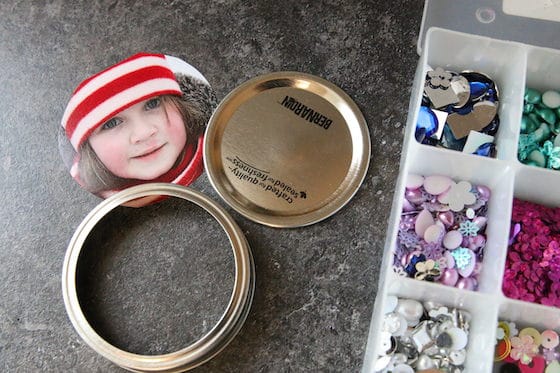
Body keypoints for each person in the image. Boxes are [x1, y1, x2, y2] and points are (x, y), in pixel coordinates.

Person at [59, 52, 217, 205]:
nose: (144, 133)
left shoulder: (215, 144)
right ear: (90, 149)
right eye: (112, 123)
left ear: (184, 108)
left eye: (152, 104)